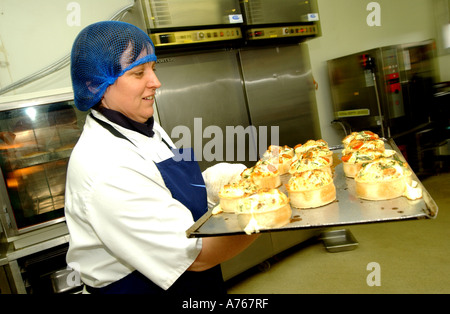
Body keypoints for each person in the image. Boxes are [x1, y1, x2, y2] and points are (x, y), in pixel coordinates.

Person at [65, 21, 258, 294]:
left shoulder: (141, 124)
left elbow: (162, 190)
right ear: (95, 85)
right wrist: (267, 215)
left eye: (153, 68)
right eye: (138, 73)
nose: (156, 82)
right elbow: (197, 256)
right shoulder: (105, 166)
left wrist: (216, 184)